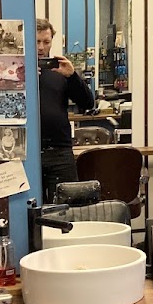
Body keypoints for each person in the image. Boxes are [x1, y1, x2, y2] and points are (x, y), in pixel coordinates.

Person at [37, 18, 95, 202]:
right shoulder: (16, 72)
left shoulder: (61, 72)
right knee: (27, 209)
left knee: (67, 208)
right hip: (28, 151)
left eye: (46, 42)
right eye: (37, 41)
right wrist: (24, 77)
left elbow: (88, 103)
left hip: (59, 151)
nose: (41, 47)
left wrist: (72, 76)